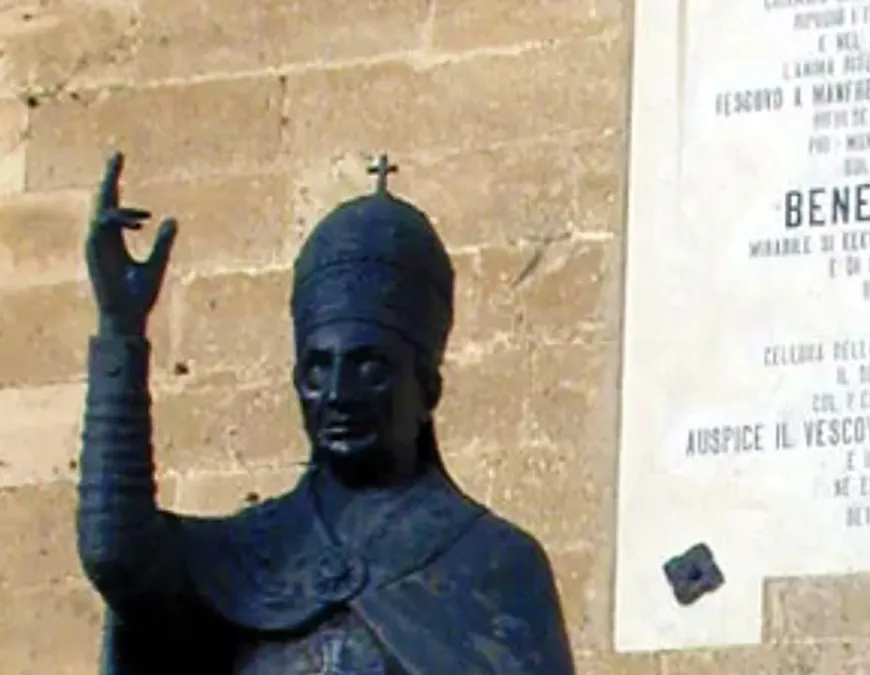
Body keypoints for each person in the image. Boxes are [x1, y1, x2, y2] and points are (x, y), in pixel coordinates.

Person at [76, 152, 576, 674]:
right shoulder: (248, 554)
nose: (338, 393)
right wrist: (119, 330)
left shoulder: (494, 563)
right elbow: (118, 557)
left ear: (427, 389)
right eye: (317, 371)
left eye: (370, 368)